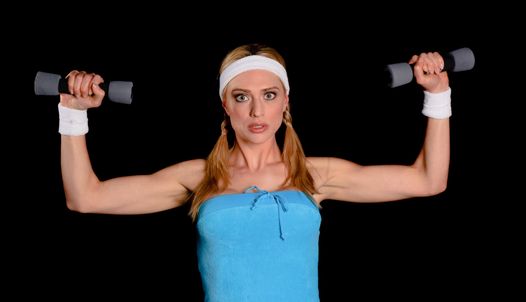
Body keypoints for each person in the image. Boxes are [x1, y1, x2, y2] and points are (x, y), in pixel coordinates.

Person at [58, 43, 451, 302]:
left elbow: (428, 180)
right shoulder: (199, 178)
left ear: (286, 102)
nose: (257, 112)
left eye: (269, 95)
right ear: (225, 106)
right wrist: (73, 114)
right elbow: (86, 197)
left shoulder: (315, 175)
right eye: (241, 97)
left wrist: (437, 94)